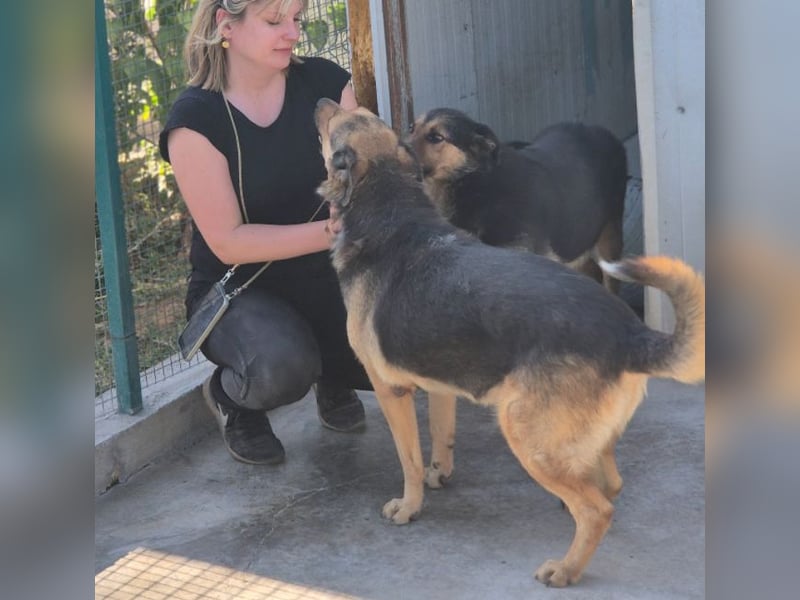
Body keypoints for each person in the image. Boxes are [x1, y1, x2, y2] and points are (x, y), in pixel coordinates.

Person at [158, 0, 371, 466]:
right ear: (225, 25)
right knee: (281, 367)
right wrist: (333, 231)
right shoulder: (196, 119)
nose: (293, 33)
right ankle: (232, 398)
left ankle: (333, 376)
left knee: (398, 336)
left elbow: (361, 172)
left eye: (296, 19)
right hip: (246, 288)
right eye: (275, 21)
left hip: (330, 272)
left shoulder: (325, 82)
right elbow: (228, 242)